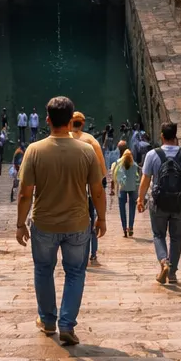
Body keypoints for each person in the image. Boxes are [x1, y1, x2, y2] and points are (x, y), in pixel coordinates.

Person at [16, 96, 106, 346]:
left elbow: (25, 192)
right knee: (76, 272)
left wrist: (20, 223)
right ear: (71, 121)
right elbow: (97, 190)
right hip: (78, 223)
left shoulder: (34, 150)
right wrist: (102, 218)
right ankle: (67, 324)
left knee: (44, 270)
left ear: (47, 120)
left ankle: (47, 321)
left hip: (44, 223)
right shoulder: (86, 150)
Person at [137, 122, 181, 285]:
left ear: (162, 135)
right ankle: (172, 273)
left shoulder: (152, 155)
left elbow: (145, 180)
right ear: (176, 136)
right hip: (180, 204)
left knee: (158, 235)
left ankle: (163, 261)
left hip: (158, 203)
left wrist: (140, 199)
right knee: (176, 238)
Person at [69, 112, 106, 268]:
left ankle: (73, 255)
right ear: (82, 124)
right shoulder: (91, 141)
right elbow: (101, 172)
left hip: (68, 192)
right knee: (91, 223)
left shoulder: (64, 139)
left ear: (70, 122)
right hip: (88, 192)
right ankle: (92, 254)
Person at [111, 143, 141, 237]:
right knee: (132, 208)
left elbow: (113, 176)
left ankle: (124, 229)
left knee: (122, 210)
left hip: (122, 189)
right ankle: (131, 227)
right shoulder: (134, 164)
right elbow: (138, 178)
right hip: (133, 189)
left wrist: (112, 188)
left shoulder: (117, 163)